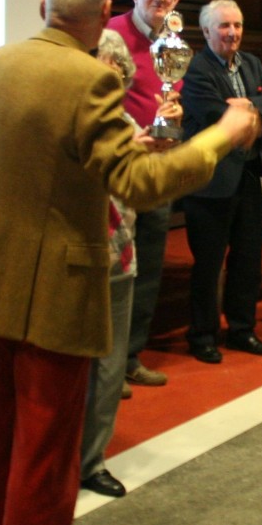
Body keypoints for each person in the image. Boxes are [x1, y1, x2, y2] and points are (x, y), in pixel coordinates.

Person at [0, 0, 258, 525]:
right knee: (47, 459)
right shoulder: (88, 77)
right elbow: (141, 184)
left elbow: (40, 155)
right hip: (51, 285)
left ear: (43, 4)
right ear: (106, 9)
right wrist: (220, 138)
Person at [77, 29, 167, 500]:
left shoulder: (126, 123)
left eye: (115, 71)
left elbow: (144, 173)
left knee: (110, 372)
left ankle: (92, 461)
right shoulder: (76, 117)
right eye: (101, 68)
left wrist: (158, 141)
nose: (108, 77)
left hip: (120, 256)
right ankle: (64, 460)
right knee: (72, 369)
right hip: (75, 262)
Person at [181, 0, 262, 363]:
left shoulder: (253, 63)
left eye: (238, 25)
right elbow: (216, 115)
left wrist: (246, 108)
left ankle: (241, 330)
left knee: (248, 260)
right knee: (209, 266)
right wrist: (255, 107)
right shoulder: (196, 70)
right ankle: (202, 336)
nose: (232, 33)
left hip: (248, 178)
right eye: (224, 26)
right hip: (210, 183)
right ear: (208, 31)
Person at [106, 0, 183, 391]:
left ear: (176, 0)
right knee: (113, 272)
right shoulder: (110, 34)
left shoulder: (173, 42)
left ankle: (131, 357)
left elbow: (172, 97)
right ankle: (107, 365)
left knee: (149, 266)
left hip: (156, 167)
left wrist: (177, 116)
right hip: (117, 166)